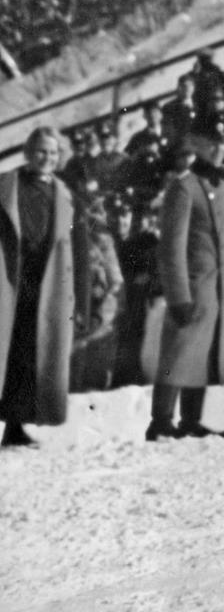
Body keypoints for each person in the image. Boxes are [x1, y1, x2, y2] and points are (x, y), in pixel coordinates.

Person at [150, 113, 224, 441]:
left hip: (220, 285)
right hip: (194, 285)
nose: (219, 148)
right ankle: (161, 421)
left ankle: (191, 419)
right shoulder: (183, 187)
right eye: (211, 142)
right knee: (179, 351)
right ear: (196, 144)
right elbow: (171, 247)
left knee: (204, 351)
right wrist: (178, 295)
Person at [0, 129, 77, 448]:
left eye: (53, 153)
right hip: (8, 279)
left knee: (28, 353)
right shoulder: (6, 185)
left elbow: (76, 245)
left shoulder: (63, 193)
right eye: (42, 151)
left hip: (44, 282)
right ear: (29, 152)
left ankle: (14, 425)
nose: (47, 158)